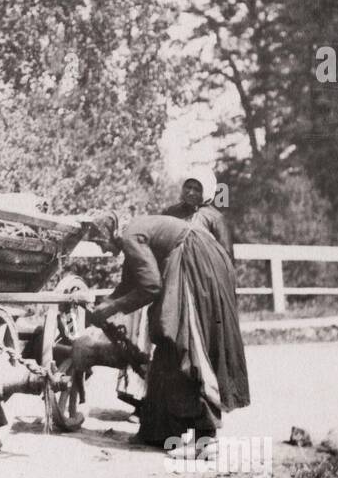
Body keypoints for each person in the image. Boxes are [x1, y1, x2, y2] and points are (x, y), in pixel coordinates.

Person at [82, 212, 250, 458]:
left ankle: (206, 441)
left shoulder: (130, 237)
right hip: (199, 257)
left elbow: (150, 286)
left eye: (100, 242)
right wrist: (104, 307)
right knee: (166, 349)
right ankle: (157, 431)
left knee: (183, 345)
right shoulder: (131, 234)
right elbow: (130, 283)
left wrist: (109, 308)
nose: (103, 250)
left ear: (108, 233)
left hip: (195, 261)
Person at [162, 169, 233, 256]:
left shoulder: (215, 218)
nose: (191, 192)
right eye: (188, 187)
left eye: (197, 189)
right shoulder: (170, 212)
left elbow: (226, 255)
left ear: (205, 191)